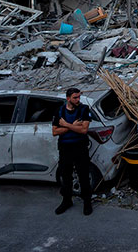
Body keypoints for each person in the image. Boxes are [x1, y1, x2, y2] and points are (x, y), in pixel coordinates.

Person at [52, 87, 93, 215]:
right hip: (65, 148)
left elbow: (84, 130)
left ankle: (87, 202)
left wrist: (66, 125)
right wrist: (74, 126)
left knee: (83, 176)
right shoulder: (60, 111)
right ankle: (67, 200)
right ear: (68, 98)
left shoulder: (84, 109)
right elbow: (54, 132)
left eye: (79, 97)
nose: (78, 100)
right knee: (66, 175)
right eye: (75, 97)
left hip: (80, 147)